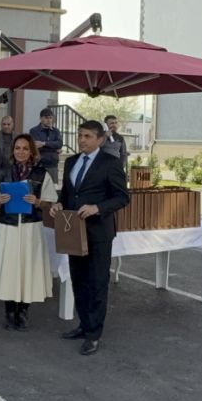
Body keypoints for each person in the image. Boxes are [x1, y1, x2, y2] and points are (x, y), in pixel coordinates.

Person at [50, 120, 129, 356]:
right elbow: (67, 193)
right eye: (80, 135)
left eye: (87, 136)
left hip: (98, 233)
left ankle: (94, 334)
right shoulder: (71, 161)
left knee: (96, 283)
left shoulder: (110, 163)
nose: (82, 140)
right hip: (74, 232)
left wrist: (98, 208)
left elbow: (122, 197)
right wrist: (59, 204)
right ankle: (84, 325)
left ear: (100, 140)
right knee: (79, 280)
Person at [0, 134, 56, 330]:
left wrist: (38, 202)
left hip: (31, 228)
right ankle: (10, 310)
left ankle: (24, 310)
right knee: (9, 268)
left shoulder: (41, 174)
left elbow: (50, 201)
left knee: (28, 267)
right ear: (13, 151)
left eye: (25, 148)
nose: (21, 152)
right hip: (8, 228)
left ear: (31, 152)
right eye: (17, 148)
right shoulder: (3, 173)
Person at [29, 108, 63, 184]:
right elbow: (36, 146)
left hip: (53, 165)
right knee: (37, 188)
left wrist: (44, 143)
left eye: (50, 118)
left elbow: (60, 144)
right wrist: (54, 149)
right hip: (39, 166)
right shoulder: (34, 131)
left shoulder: (56, 131)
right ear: (41, 118)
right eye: (46, 118)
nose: (49, 120)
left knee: (53, 188)